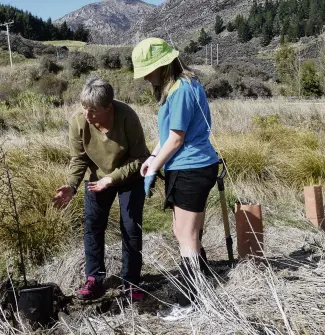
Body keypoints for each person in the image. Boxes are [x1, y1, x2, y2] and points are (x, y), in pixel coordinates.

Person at [132, 38, 219, 320]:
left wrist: (156, 166)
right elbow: (167, 135)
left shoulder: (181, 90)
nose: (145, 77)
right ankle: (203, 286)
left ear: (163, 65)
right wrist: (152, 158)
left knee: (187, 236)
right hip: (188, 167)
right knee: (184, 232)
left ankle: (191, 301)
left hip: (190, 168)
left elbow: (178, 139)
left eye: (148, 70)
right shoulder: (182, 86)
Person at [53, 76, 150, 301]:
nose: (87, 115)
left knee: (131, 227)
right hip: (97, 180)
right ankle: (94, 279)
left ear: (109, 107)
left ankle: (131, 282)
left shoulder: (127, 117)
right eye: (84, 108)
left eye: (93, 110)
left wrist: (113, 178)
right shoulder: (79, 121)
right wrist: (71, 185)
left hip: (129, 177)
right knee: (93, 226)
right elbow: (78, 159)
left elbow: (140, 157)